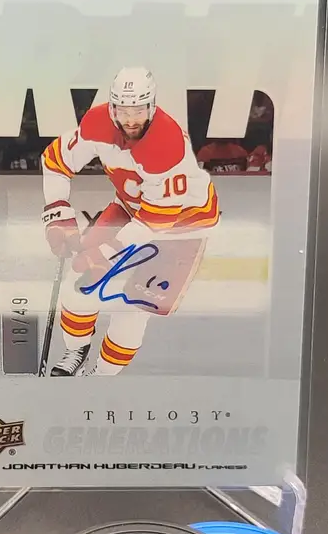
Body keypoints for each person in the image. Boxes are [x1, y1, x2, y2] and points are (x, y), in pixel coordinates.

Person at [40, 67, 220, 376]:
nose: (131, 119)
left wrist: (105, 252)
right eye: (123, 110)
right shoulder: (97, 124)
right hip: (130, 208)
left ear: (152, 106)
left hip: (182, 227)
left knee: (133, 307)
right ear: (112, 107)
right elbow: (55, 160)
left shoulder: (167, 144)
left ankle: (102, 377)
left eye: (138, 110)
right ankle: (76, 351)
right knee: (79, 280)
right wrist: (58, 213)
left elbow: (156, 221)